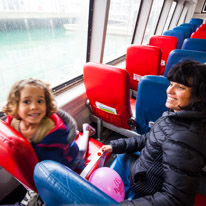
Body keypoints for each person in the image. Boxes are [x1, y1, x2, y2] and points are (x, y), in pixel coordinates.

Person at [101, 60, 206, 206]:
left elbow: (175, 199)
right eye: (171, 84)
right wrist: (117, 145)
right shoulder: (178, 114)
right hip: (145, 170)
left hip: (145, 186)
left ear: (198, 96)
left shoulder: (186, 140)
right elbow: (152, 137)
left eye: (180, 87)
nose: (169, 90)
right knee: (121, 154)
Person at [2, 78, 80, 206]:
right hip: (40, 169)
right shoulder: (13, 124)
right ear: (16, 106)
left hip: (68, 158)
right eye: (26, 101)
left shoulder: (54, 134)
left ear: (46, 105)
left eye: (39, 101)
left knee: (77, 155)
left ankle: (86, 132)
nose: (34, 106)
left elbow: (55, 168)